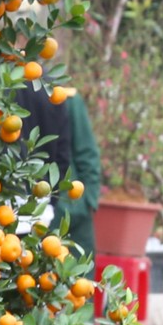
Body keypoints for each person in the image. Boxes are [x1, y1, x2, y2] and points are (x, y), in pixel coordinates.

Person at [15, 85, 103, 258]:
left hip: (70, 205)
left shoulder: (65, 97)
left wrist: (86, 201)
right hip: (31, 208)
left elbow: (87, 153)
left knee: (76, 273)